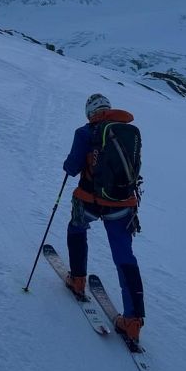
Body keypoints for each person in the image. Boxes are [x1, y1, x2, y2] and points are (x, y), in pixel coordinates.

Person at [63, 93, 145, 345]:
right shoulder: (128, 131)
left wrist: (69, 165)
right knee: (124, 257)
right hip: (122, 205)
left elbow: (73, 167)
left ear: (89, 113)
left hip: (90, 200)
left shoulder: (85, 132)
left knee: (77, 227)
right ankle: (132, 322)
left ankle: (78, 280)